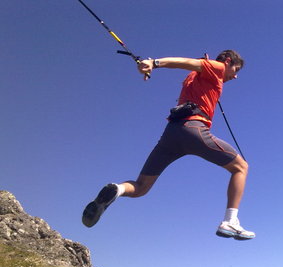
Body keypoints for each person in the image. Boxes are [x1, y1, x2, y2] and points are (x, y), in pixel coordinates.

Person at [82, 50, 255, 240]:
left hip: (171, 134)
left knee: (140, 188)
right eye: (235, 69)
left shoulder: (196, 77)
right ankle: (230, 221)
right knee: (241, 167)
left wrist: (198, 63)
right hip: (193, 129)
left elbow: (192, 68)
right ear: (228, 61)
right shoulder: (217, 67)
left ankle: (117, 189)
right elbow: (185, 62)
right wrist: (154, 63)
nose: (235, 76)